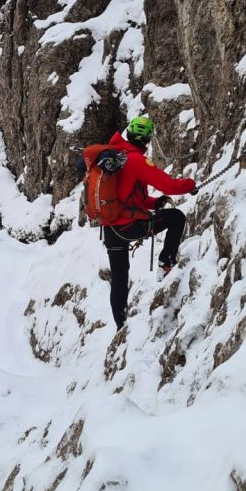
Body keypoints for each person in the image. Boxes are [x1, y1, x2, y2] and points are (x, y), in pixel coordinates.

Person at [103, 115, 197, 330]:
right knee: (177, 217)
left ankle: (121, 326)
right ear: (146, 140)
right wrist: (190, 184)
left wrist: (155, 203)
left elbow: (134, 196)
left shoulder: (116, 156)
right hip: (129, 226)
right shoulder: (136, 160)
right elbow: (169, 185)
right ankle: (166, 261)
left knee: (119, 278)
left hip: (110, 228)